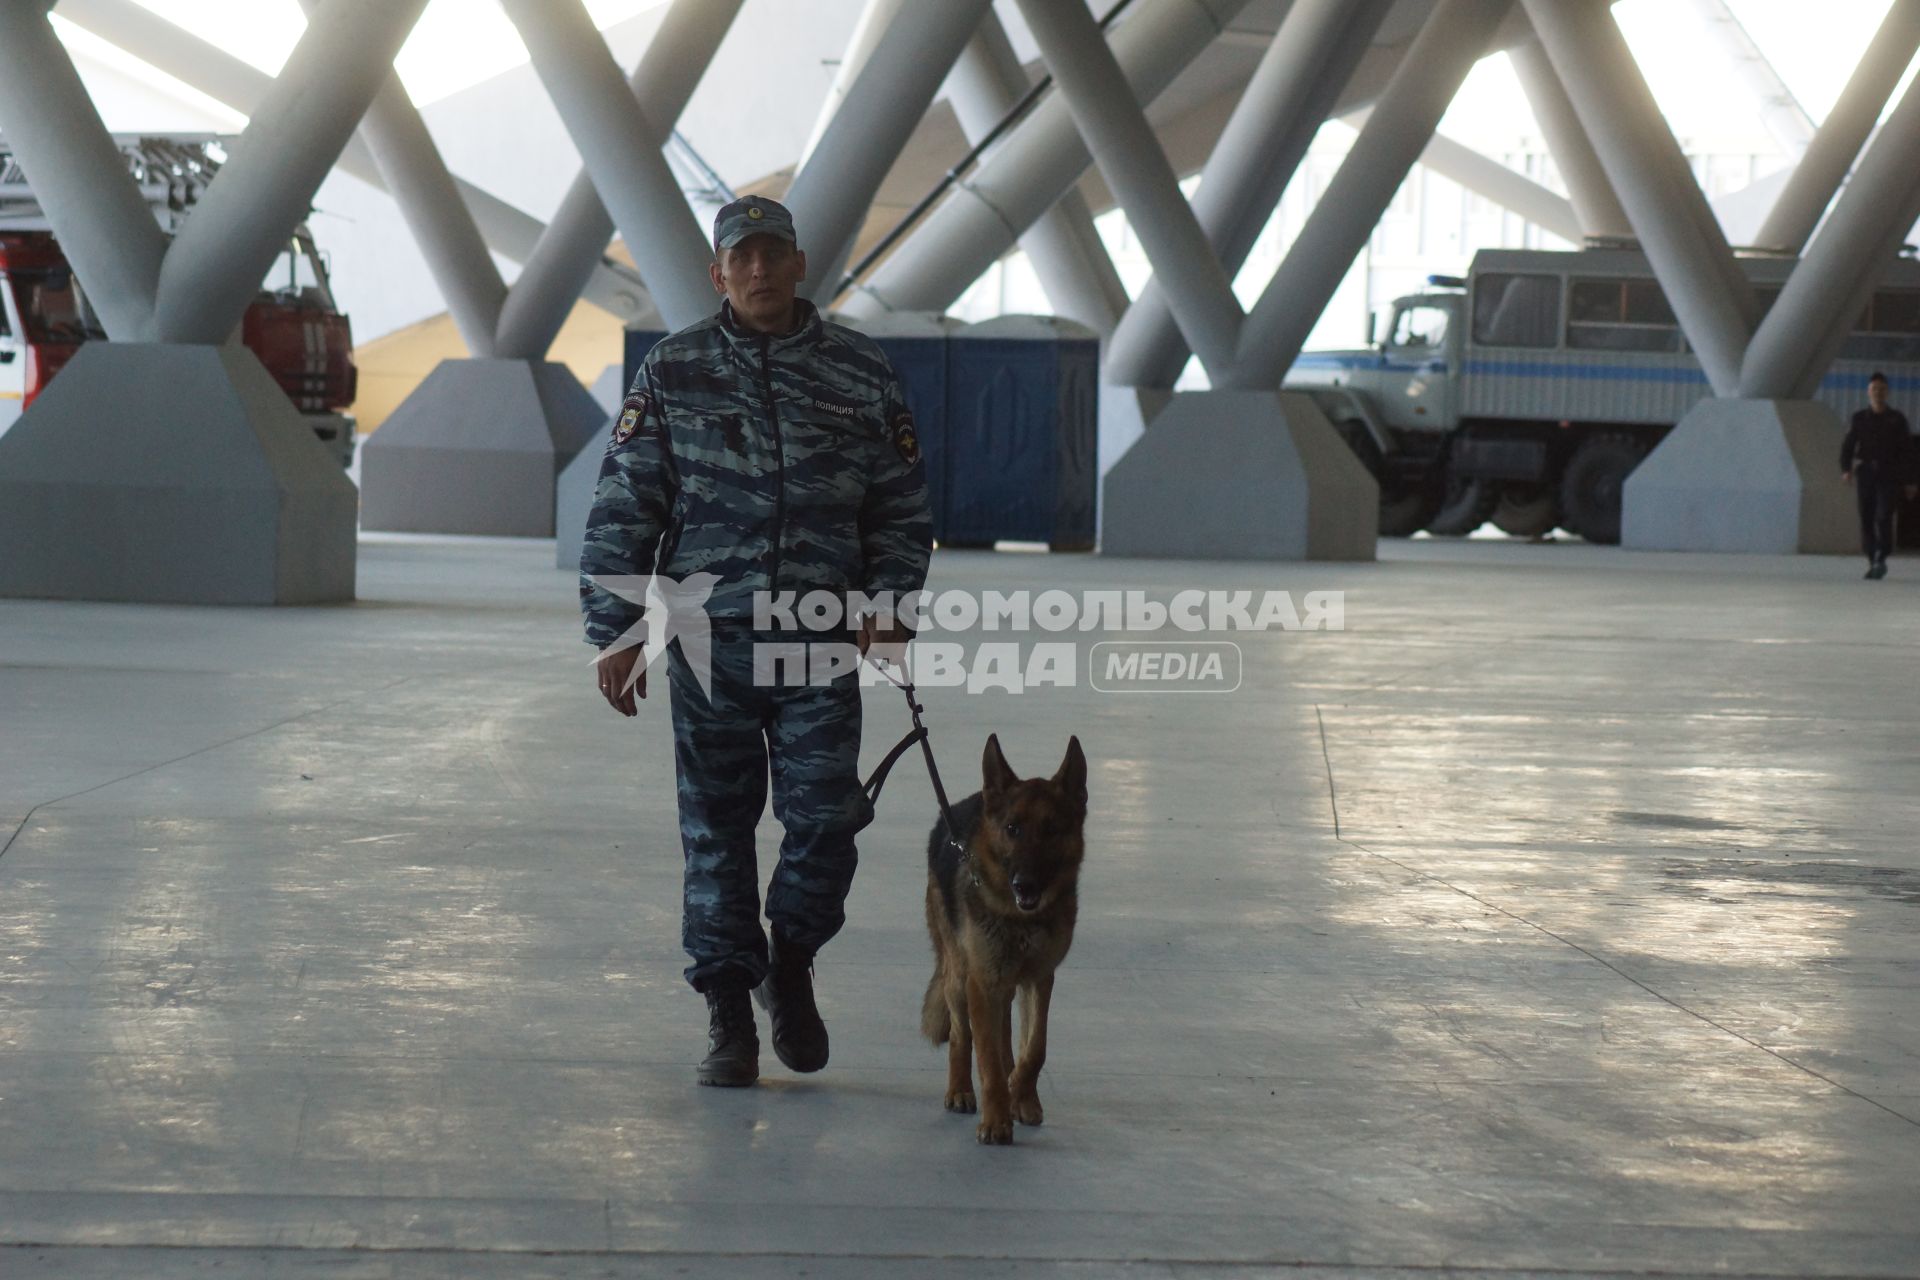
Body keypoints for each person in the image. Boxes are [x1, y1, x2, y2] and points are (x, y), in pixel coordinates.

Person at [579, 195, 932, 1087]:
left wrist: (889, 599)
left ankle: (794, 960)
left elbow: (899, 502)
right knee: (716, 832)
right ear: (718, 273)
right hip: (709, 642)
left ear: (799, 262)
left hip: (819, 640)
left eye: (774, 254)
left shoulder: (859, 371)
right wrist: (614, 631)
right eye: (743, 257)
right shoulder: (676, 369)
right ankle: (728, 1008)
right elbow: (627, 502)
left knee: (826, 817)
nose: (760, 270)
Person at [1840, 371, 1915, 579]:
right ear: (1868, 392)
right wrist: (1846, 469)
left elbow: (1908, 451)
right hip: (1866, 474)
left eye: (1882, 389)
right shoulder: (1859, 419)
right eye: (1874, 389)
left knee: (1883, 515)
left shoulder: (1897, 419)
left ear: (1887, 392)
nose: (1878, 392)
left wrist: (1910, 481)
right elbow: (1848, 446)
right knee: (1866, 517)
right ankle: (1872, 557)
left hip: (1889, 474)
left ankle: (1882, 555)